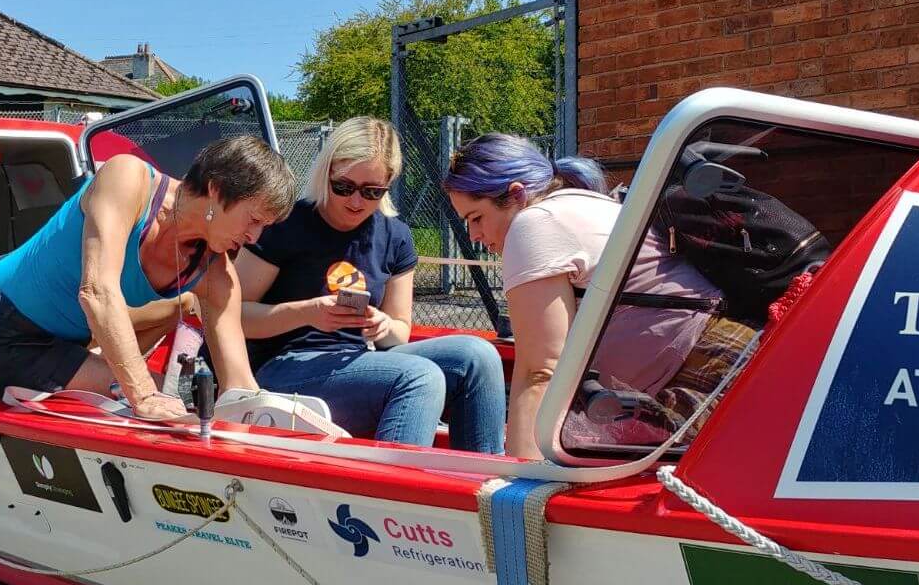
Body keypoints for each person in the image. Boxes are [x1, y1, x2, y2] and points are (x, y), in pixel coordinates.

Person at [443, 134, 757, 459]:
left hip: (705, 372)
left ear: (517, 195)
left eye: (476, 218)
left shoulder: (533, 224)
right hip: (725, 359)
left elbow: (540, 372)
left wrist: (519, 479)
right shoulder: (587, 203)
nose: (475, 236)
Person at [0, 135, 297, 419]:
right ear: (217, 190)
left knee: (181, 405)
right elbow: (97, 292)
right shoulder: (129, 179)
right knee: (162, 402)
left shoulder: (217, 274)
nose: (255, 237)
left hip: (63, 344)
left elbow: (240, 387)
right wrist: (144, 396)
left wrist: (269, 423)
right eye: (253, 219)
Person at [236, 117, 505, 452]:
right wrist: (307, 313)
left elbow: (399, 333)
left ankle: (480, 492)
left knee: (479, 355)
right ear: (326, 172)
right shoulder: (286, 223)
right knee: (420, 376)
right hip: (286, 367)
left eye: (372, 192)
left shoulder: (396, 237)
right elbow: (234, 317)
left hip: (360, 360)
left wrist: (380, 325)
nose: (356, 202)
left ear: (389, 184)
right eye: (344, 187)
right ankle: (391, 498)